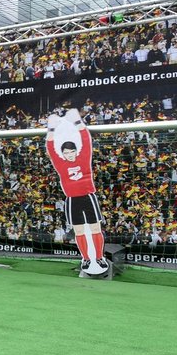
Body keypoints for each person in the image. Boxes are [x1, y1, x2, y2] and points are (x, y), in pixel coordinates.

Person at [45, 108, 109, 276]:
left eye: (71, 152)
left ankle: (100, 257)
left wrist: (78, 123)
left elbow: (86, 140)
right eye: (65, 153)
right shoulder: (61, 164)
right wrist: (51, 130)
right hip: (72, 199)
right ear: (63, 154)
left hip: (88, 197)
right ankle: (86, 258)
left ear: (75, 151)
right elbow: (51, 149)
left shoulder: (82, 158)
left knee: (95, 228)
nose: (69, 155)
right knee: (79, 231)